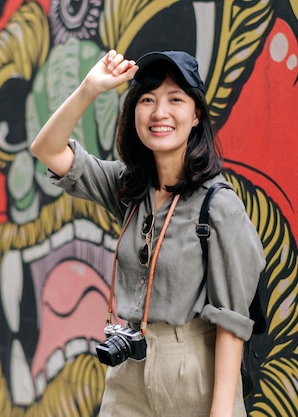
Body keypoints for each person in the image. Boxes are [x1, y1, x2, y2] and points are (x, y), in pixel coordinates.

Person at [31, 49, 265, 417]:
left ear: (195, 114)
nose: (160, 113)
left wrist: (221, 411)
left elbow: (232, 324)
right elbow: (47, 149)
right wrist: (90, 88)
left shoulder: (219, 206)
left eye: (176, 99)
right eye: (147, 100)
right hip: (130, 370)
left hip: (194, 373)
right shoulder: (129, 188)